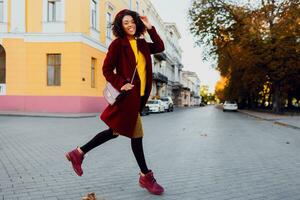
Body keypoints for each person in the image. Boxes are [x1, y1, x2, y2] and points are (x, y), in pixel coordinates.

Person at [65, 9, 165, 195]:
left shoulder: (142, 44)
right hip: (128, 98)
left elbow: (159, 47)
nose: (130, 25)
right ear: (121, 26)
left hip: (139, 98)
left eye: (132, 21)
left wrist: (151, 28)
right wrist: (123, 83)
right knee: (136, 137)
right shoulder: (118, 45)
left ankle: (78, 153)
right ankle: (146, 176)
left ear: (137, 22)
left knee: (114, 132)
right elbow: (107, 69)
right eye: (126, 23)